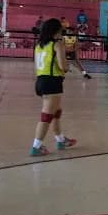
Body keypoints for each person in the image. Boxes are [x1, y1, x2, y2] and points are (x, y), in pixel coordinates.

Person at [30, 18, 76, 156]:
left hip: (41, 80)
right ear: (56, 31)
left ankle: (60, 140)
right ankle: (36, 147)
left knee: (56, 111)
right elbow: (63, 66)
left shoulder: (39, 45)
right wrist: (67, 67)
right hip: (52, 82)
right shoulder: (57, 44)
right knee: (46, 117)